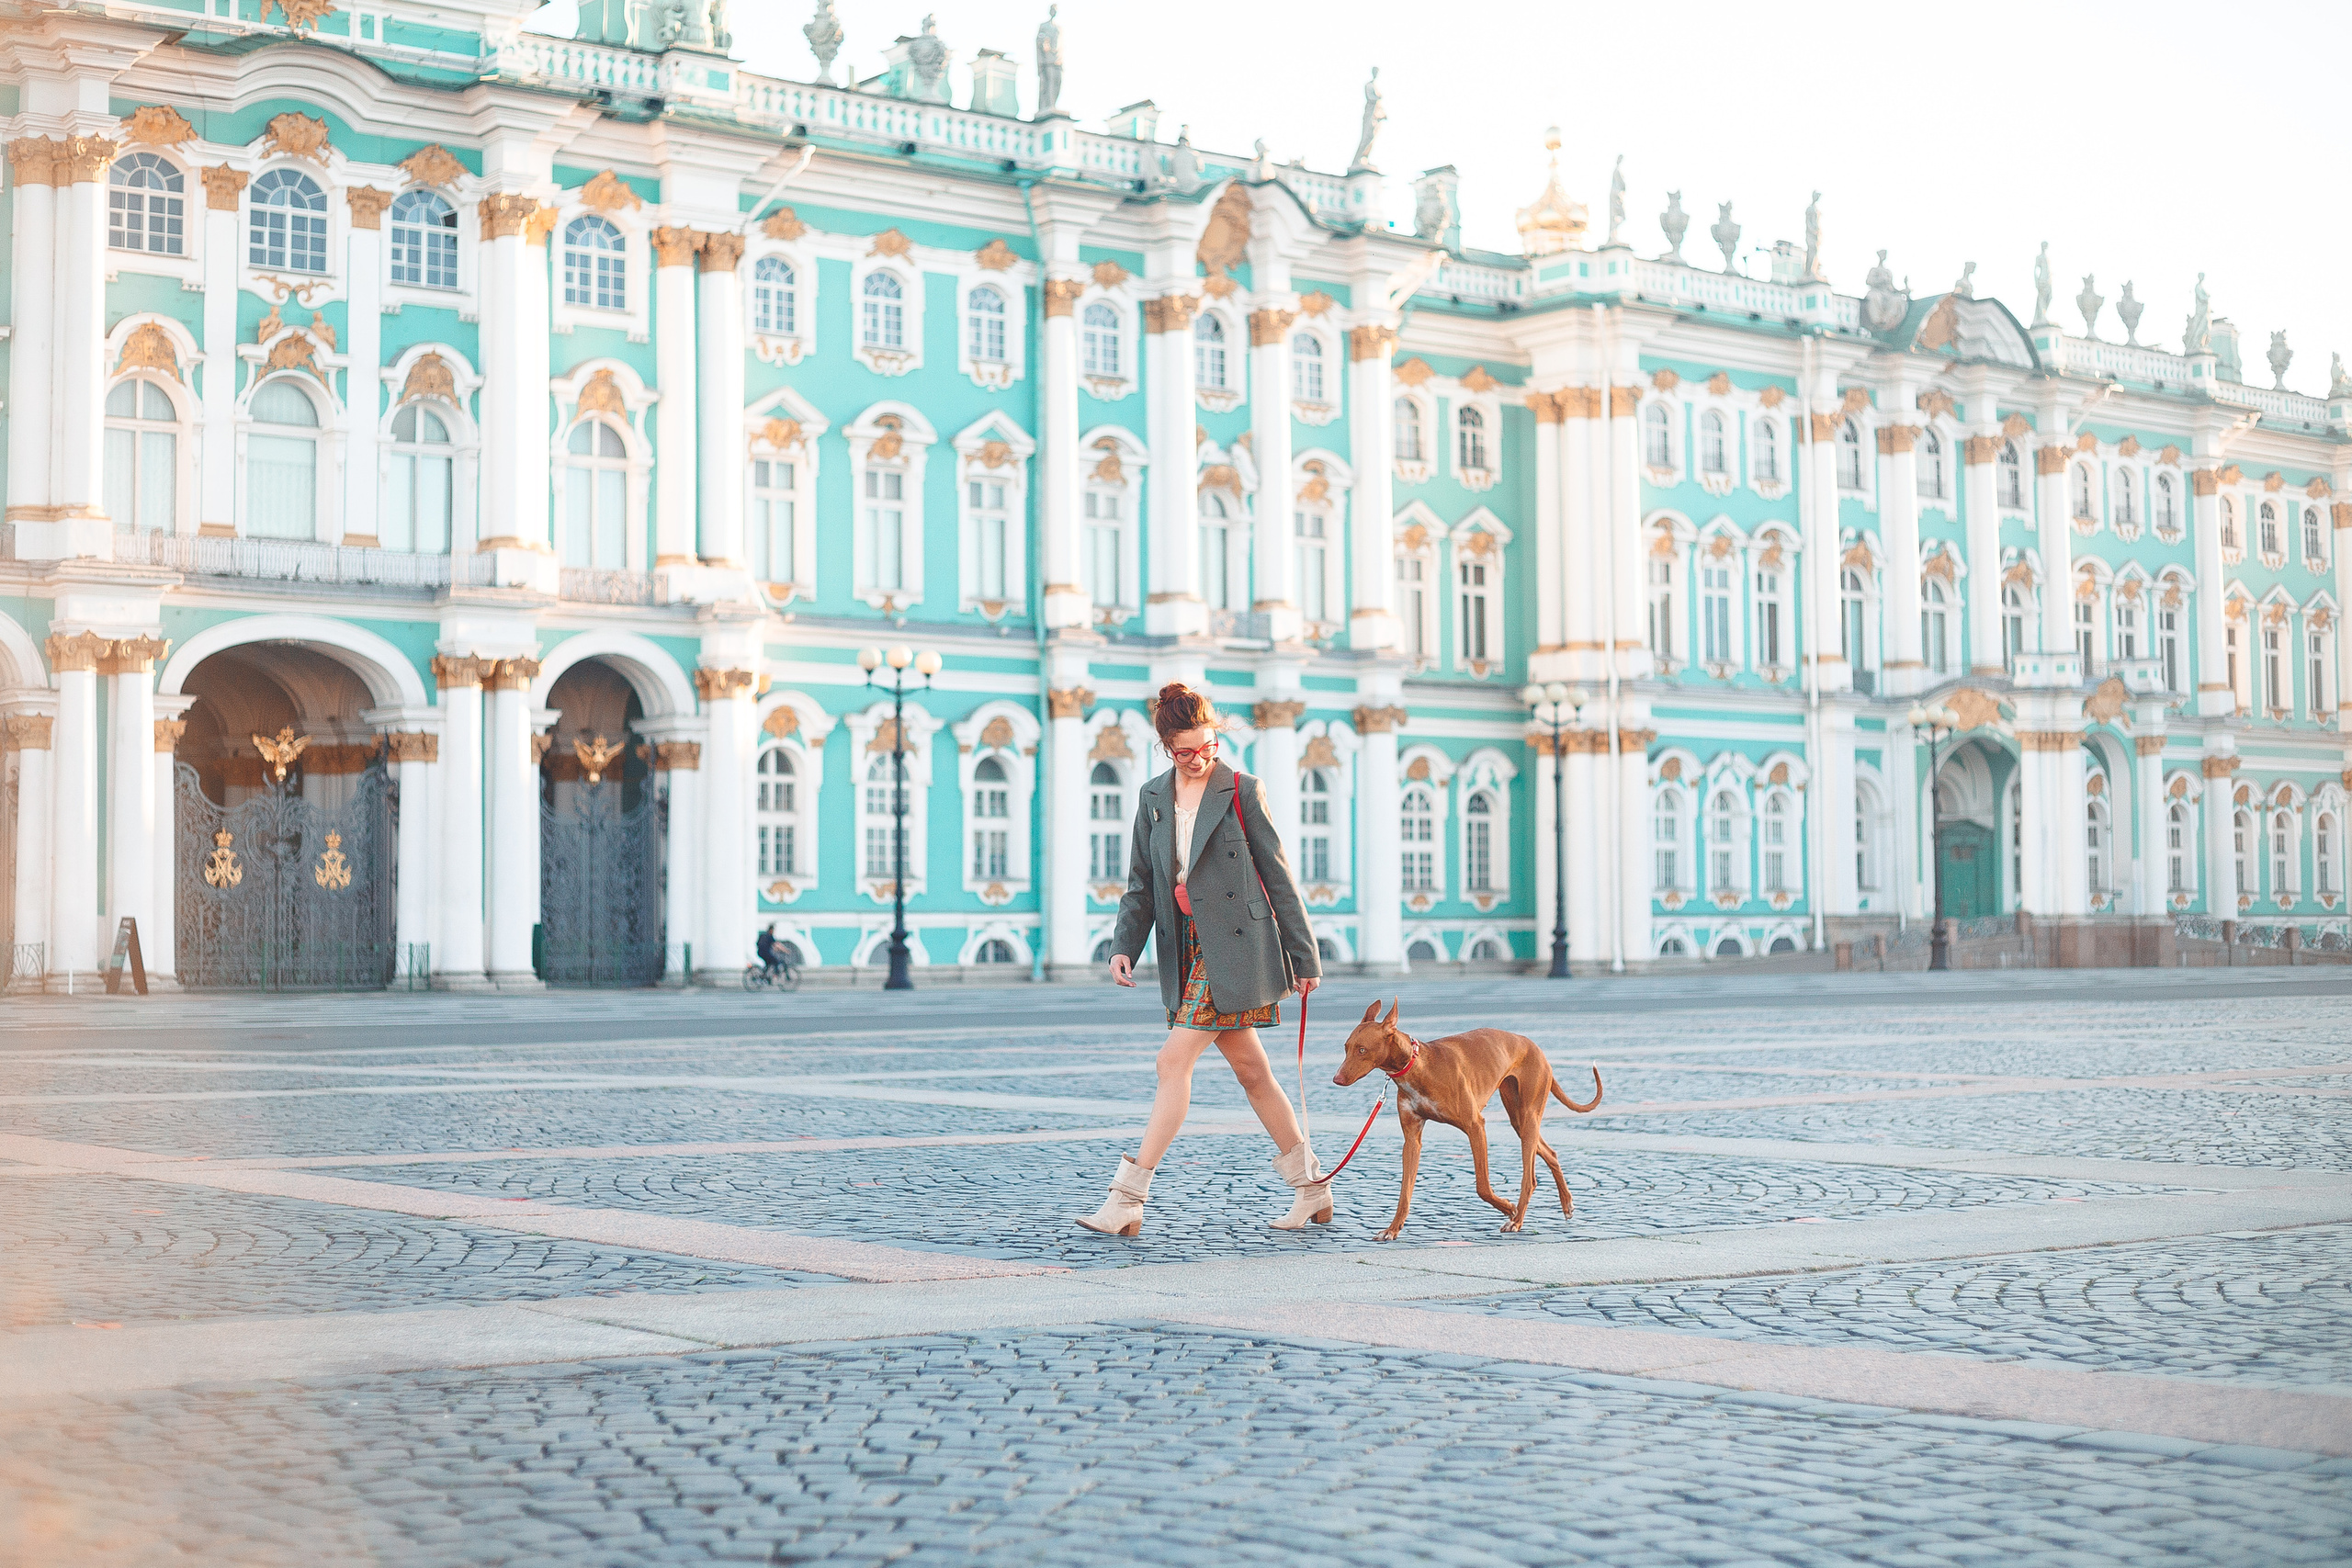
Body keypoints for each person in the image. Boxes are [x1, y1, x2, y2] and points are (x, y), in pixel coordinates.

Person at [1076, 683, 1325, 1236]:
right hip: (1185, 946)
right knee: (1253, 1071)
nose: (1200, 758)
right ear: (1167, 747)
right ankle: (1312, 1189)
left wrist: (1304, 954)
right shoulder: (1153, 797)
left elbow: (1279, 875)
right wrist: (1124, 946)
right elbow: (1142, 881)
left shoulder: (1240, 789)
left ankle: (1127, 1199)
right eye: (1186, 750)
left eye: (1207, 746)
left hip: (1236, 946)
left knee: (1172, 1063)